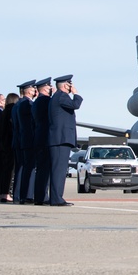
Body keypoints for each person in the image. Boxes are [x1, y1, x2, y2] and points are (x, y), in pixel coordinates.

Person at [48, 75, 82, 207]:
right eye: (69, 85)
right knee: (59, 170)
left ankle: (56, 197)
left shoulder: (57, 97)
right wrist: (76, 93)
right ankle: (56, 199)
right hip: (60, 139)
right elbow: (75, 105)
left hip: (59, 139)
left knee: (59, 170)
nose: (71, 87)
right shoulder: (62, 96)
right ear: (64, 86)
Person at [12, 80, 37, 204]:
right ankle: (26, 195)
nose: (35, 91)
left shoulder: (17, 104)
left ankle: (18, 195)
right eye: (33, 90)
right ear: (28, 91)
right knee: (27, 167)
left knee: (20, 169)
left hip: (18, 140)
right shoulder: (27, 104)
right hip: (27, 140)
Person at [31, 78, 54, 205]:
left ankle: (39, 196)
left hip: (38, 137)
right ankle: (42, 197)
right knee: (45, 170)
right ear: (45, 88)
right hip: (45, 138)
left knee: (41, 169)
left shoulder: (36, 102)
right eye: (50, 87)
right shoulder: (46, 101)